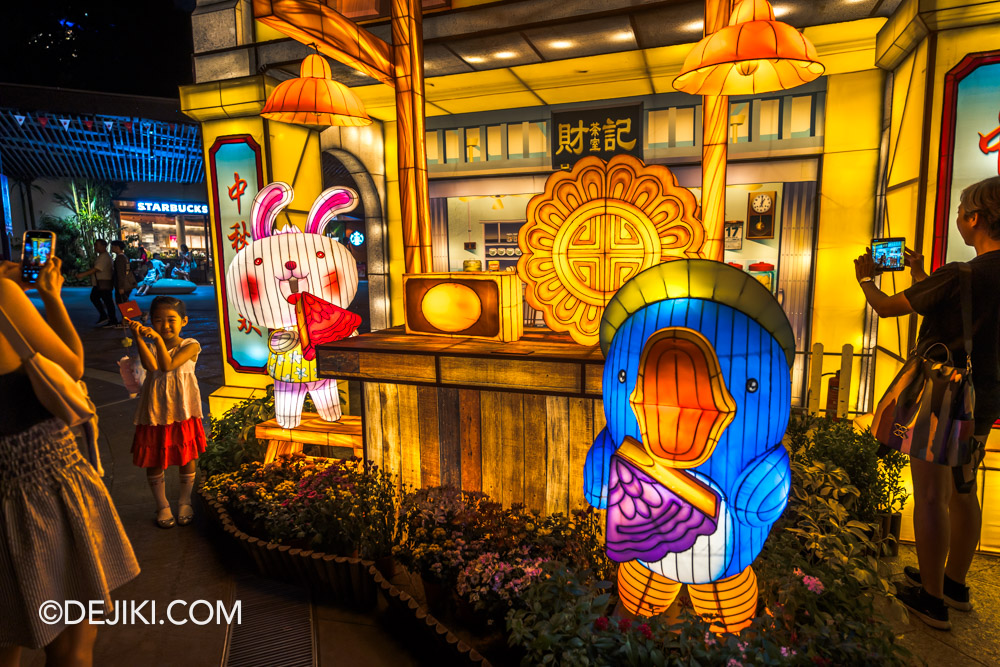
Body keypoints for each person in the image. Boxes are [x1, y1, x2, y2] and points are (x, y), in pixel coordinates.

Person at [854, 175, 1000, 631]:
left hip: (944, 394)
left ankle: (932, 599)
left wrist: (863, 278)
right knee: (963, 487)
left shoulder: (960, 273)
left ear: (974, 218)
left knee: (931, 495)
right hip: (987, 392)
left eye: (960, 210)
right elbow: (952, 308)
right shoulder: (970, 277)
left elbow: (886, 306)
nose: (958, 217)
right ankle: (954, 583)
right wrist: (921, 275)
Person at [0, 257, 140, 665]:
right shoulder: (4, 295)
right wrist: (50, 297)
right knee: (70, 648)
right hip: (40, 485)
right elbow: (72, 365)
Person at [127, 296, 207, 529]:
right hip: (155, 411)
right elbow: (151, 366)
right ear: (151, 321)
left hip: (183, 411)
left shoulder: (191, 345)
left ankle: (184, 501)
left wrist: (157, 342)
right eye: (159, 320)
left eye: (171, 320)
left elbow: (166, 365)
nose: (165, 325)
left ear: (184, 321)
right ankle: (162, 505)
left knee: (187, 456)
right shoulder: (151, 345)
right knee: (154, 458)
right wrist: (138, 338)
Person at [76, 239, 119, 327]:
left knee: (103, 300)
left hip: (103, 282)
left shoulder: (104, 256)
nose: (95, 247)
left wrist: (82, 274)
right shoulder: (103, 256)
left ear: (103, 246)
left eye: (96, 245)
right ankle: (108, 318)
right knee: (103, 300)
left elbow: (96, 269)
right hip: (102, 282)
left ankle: (110, 319)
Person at [110, 240, 136, 305]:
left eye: (112, 247)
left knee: (122, 303)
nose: (111, 248)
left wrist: (121, 287)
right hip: (127, 283)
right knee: (124, 302)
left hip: (123, 285)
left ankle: (128, 315)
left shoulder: (120, 258)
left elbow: (121, 273)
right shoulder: (124, 257)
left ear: (117, 247)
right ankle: (129, 315)